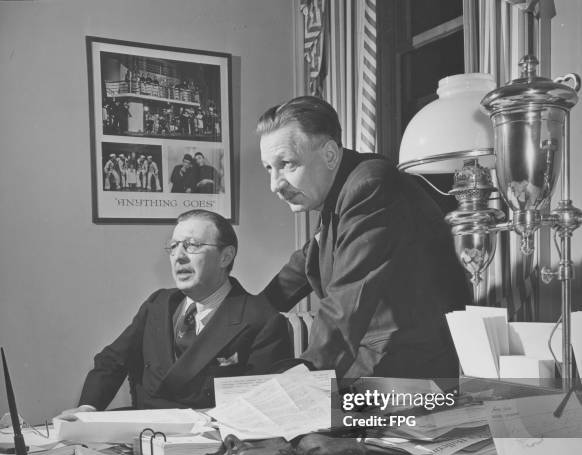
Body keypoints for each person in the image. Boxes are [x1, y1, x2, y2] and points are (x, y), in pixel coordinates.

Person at [257, 96, 471, 380]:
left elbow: (345, 304)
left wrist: (302, 381)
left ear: (330, 155)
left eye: (287, 164)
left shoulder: (371, 187)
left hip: (407, 374)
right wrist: (241, 320)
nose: (275, 185)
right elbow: (300, 267)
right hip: (373, 363)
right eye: (269, 168)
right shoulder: (344, 191)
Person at [58, 210, 292, 419]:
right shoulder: (158, 304)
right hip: (145, 438)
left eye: (191, 245)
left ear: (225, 257)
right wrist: (88, 408)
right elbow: (112, 361)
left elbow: (262, 411)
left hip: (210, 449)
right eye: (173, 247)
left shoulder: (262, 320)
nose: (178, 256)